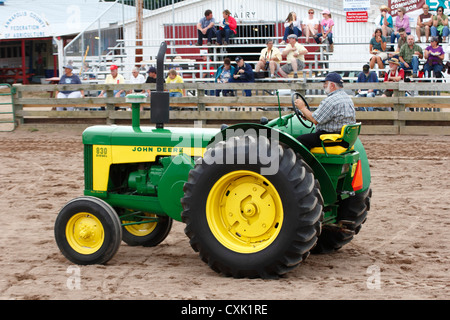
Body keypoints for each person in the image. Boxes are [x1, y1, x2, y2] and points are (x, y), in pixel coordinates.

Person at [294, 72, 355, 150]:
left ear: (332, 85)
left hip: (331, 139)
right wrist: (306, 114)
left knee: (300, 141)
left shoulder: (331, 100)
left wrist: (302, 108)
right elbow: (322, 117)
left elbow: (315, 120)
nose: (324, 86)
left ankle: (305, 162)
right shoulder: (347, 98)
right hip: (345, 138)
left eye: (325, 83)